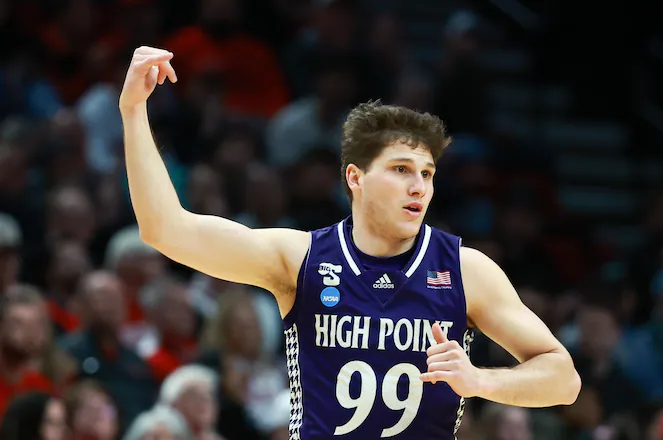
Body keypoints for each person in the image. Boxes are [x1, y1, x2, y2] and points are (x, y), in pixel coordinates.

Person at [118, 46, 581, 439]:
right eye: (401, 170)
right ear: (355, 178)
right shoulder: (299, 258)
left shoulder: (465, 269)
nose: (418, 186)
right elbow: (165, 229)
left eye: (427, 174)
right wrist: (134, 113)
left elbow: (563, 378)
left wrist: (480, 380)